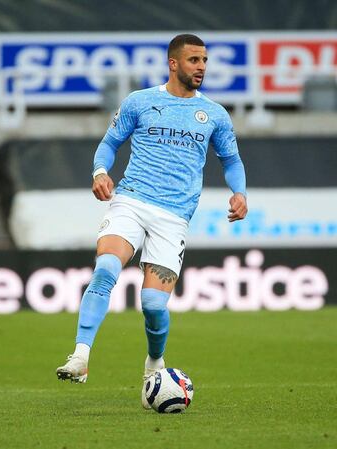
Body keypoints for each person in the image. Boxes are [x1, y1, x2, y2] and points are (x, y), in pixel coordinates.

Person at [56, 33, 247, 408]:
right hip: (130, 200)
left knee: (153, 306)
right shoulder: (140, 102)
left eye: (205, 61)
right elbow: (110, 142)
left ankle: (155, 361)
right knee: (106, 269)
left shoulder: (215, 114)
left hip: (174, 216)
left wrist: (239, 192)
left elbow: (231, 160)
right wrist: (99, 172)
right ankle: (80, 355)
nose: (202, 68)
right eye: (194, 60)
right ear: (173, 63)